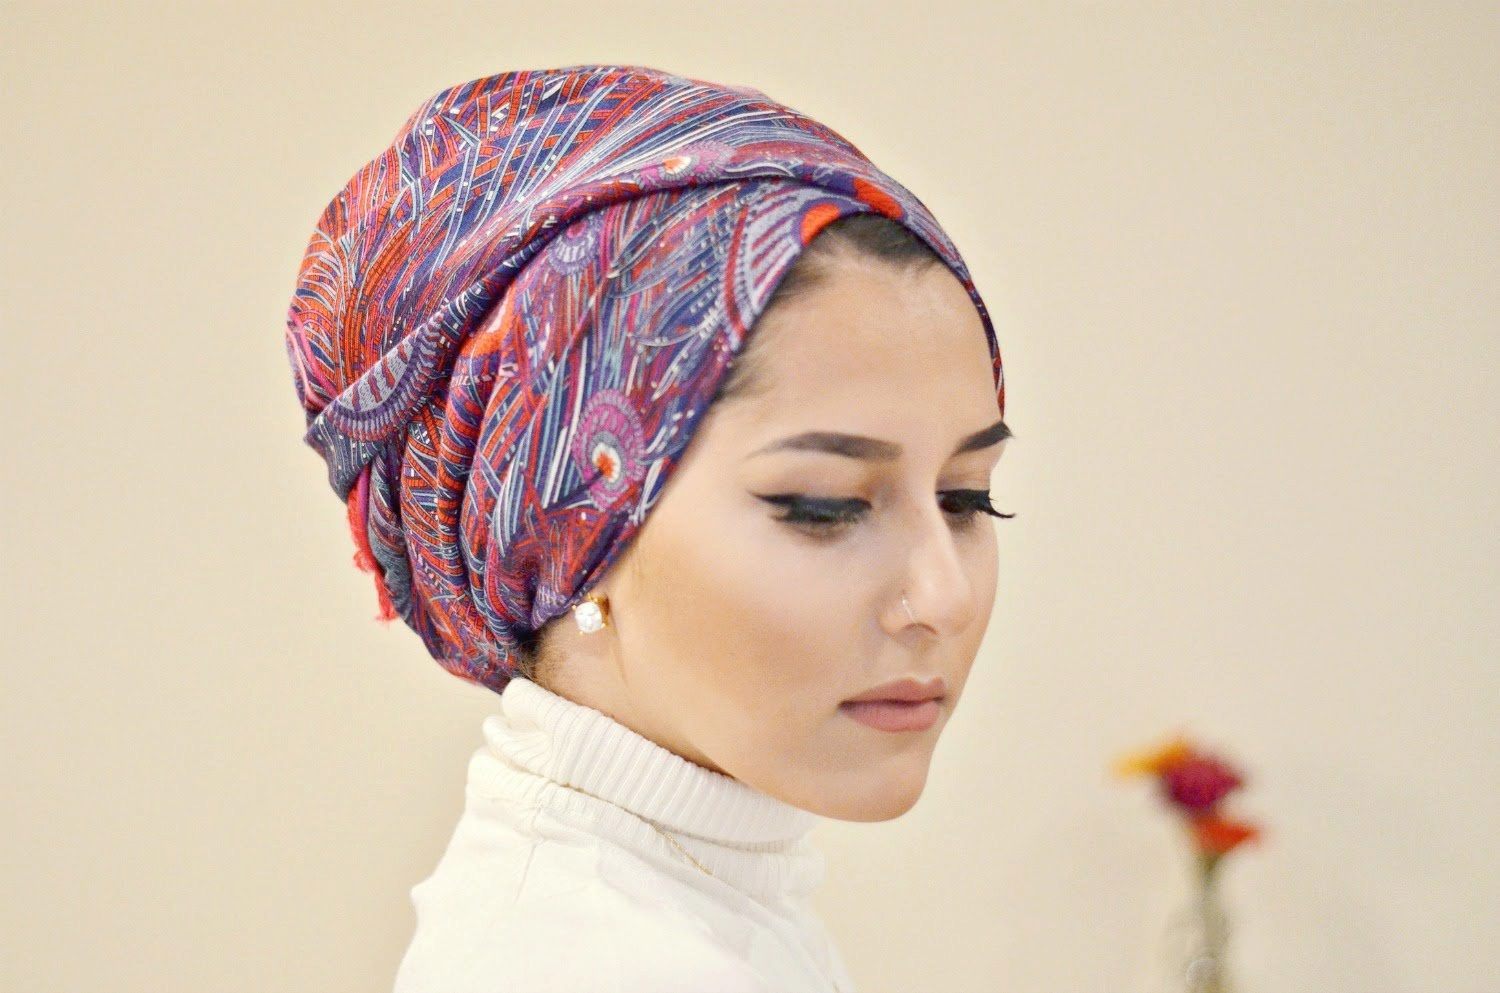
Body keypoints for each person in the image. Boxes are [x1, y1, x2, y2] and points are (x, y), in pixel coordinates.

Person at [284, 64, 1011, 993]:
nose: (945, 595)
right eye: (824, 506)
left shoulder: (689, 907)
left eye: (966, 499)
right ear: (571, 532)